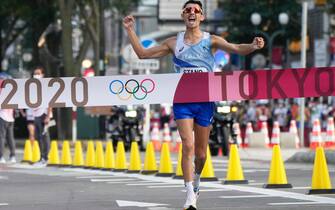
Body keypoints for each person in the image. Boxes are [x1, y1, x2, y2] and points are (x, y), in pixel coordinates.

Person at [123, 1, 264, 209]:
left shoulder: (211, 40)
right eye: (188, 10)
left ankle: (196, 181)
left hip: (205, 102)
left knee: (201, 154)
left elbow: (236, 48)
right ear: (182, 15)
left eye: (196, 10)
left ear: (202, 17)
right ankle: (189, 196)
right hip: (182, 101)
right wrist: (130, 30)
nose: (192, 13)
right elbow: (143, 54)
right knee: (187, 145)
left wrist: (252, 46)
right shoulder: (174, 42)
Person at [32, 66, 53, 165]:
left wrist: (48, 116)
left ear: (42, 75)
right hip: (36, 114)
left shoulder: (45, 87)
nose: (36, 75)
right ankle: (42, 157)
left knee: (44, 136)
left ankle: (45, 157)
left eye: (38, 73)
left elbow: (50, 102)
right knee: (37, 137)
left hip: (44, 114)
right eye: (35, 73)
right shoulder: (33, 87)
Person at [0, 73, 16, 164]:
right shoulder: (12, 91)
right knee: (10, 137)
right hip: (11, 118)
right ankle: (12, 156)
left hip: (2, 116)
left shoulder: (2, 91)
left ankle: (1, 156)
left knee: (1, 137)